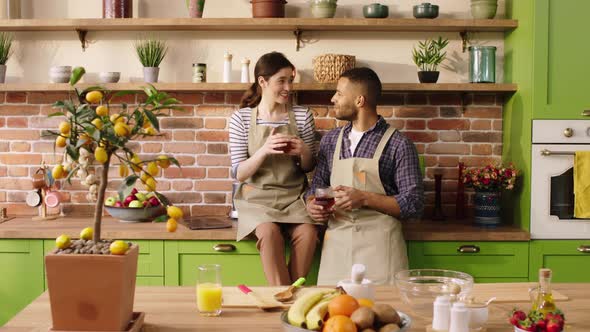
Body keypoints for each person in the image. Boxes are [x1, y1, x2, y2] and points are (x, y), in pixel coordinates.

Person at [306, 67, 424, 285]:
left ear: (360, 100)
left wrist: (364, 198)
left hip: (381, 250)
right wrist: (312, 204)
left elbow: (413, 204)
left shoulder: (399, 144)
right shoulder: (330, 141)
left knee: (382, 314)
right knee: (333, 316)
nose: (333, 99)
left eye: (339, 93)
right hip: (336, 250)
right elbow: (317, 186)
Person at [230, 52, 319, 286]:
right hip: (257, 199)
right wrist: (263, 150)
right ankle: (284, 297)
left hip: (295, 197)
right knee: (269, 234)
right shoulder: (240, 119)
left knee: (309, 234)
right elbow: (239, 173)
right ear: (263, 82)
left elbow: (311, 166)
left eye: (291, 80)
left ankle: (289, 294)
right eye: (282, 80)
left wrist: (303, 151)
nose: (288, 87)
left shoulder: (302, 115)